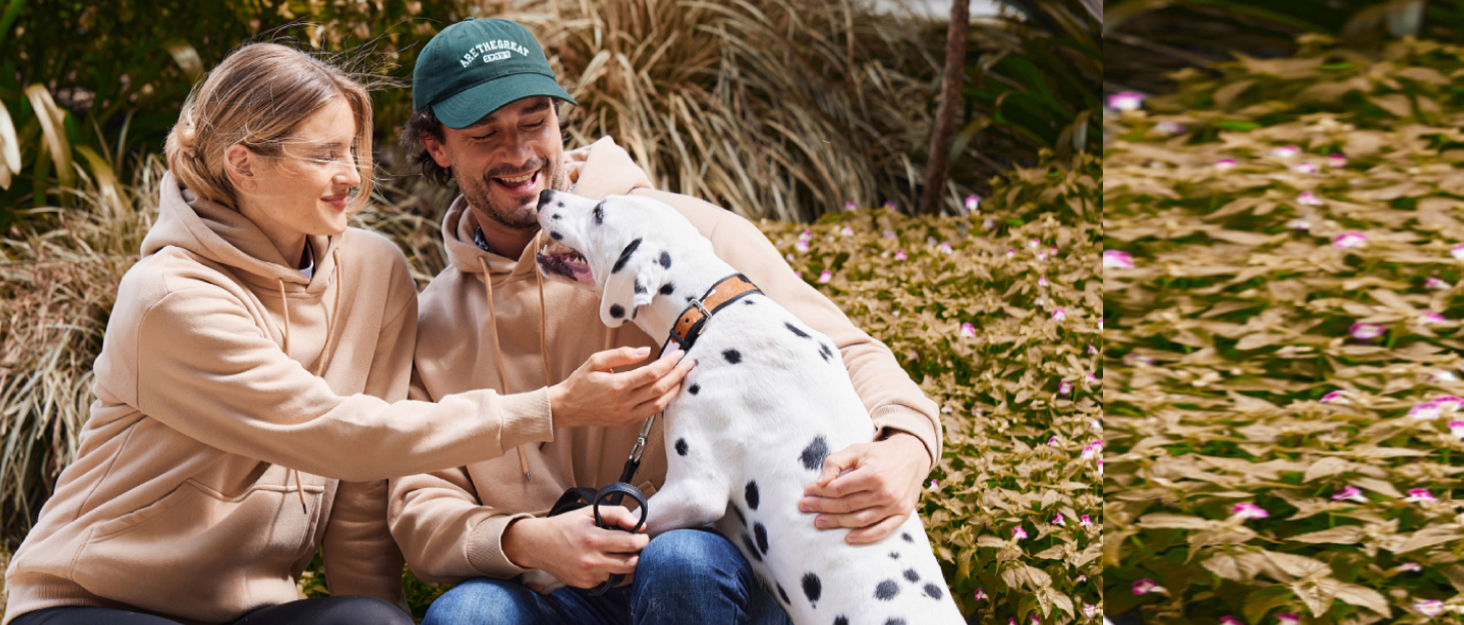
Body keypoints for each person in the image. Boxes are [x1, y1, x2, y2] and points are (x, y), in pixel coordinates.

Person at [2, 42, 692, 625]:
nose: (351, 176)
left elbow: (363, 490)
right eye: (325, 155)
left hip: (246, 611)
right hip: (98, 600)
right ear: (244, 166)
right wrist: (553, 407)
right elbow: (336, 433)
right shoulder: (170, 299)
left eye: (353, 151)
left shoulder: (372, 270)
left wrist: (380, 612)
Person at [389, 17, 943, 625]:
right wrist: (527, 541)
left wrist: (908, 447)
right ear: (437, 147)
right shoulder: (432, 321)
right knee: (469, 613)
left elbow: (842, 350)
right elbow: (422, 501)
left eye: (534, 121)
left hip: (709, 573)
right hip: (555, 591)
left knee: (681, 559)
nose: (519, 153)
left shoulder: (686, 233)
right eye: (484, 134)